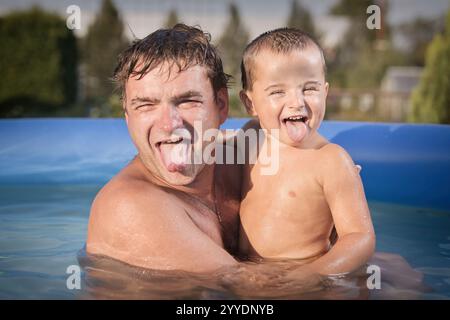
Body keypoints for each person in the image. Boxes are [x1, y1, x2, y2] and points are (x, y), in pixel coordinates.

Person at [86, 24, 242, 272]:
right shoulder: (127, 207)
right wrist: (330, 261)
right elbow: (255, 290)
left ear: (221, 105)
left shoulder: (238, 159)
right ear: (128, 116)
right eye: (146, 105)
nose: (170, 124)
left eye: (188, 101)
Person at [238, 28, 376, 277]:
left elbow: (360, 238)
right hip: (245, 272)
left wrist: (308, 276)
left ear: (325, 92)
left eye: (309, 89)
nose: (296, 102)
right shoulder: (251, 136)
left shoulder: (330, 160)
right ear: (250, 104)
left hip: (302, 276)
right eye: (278, 91)